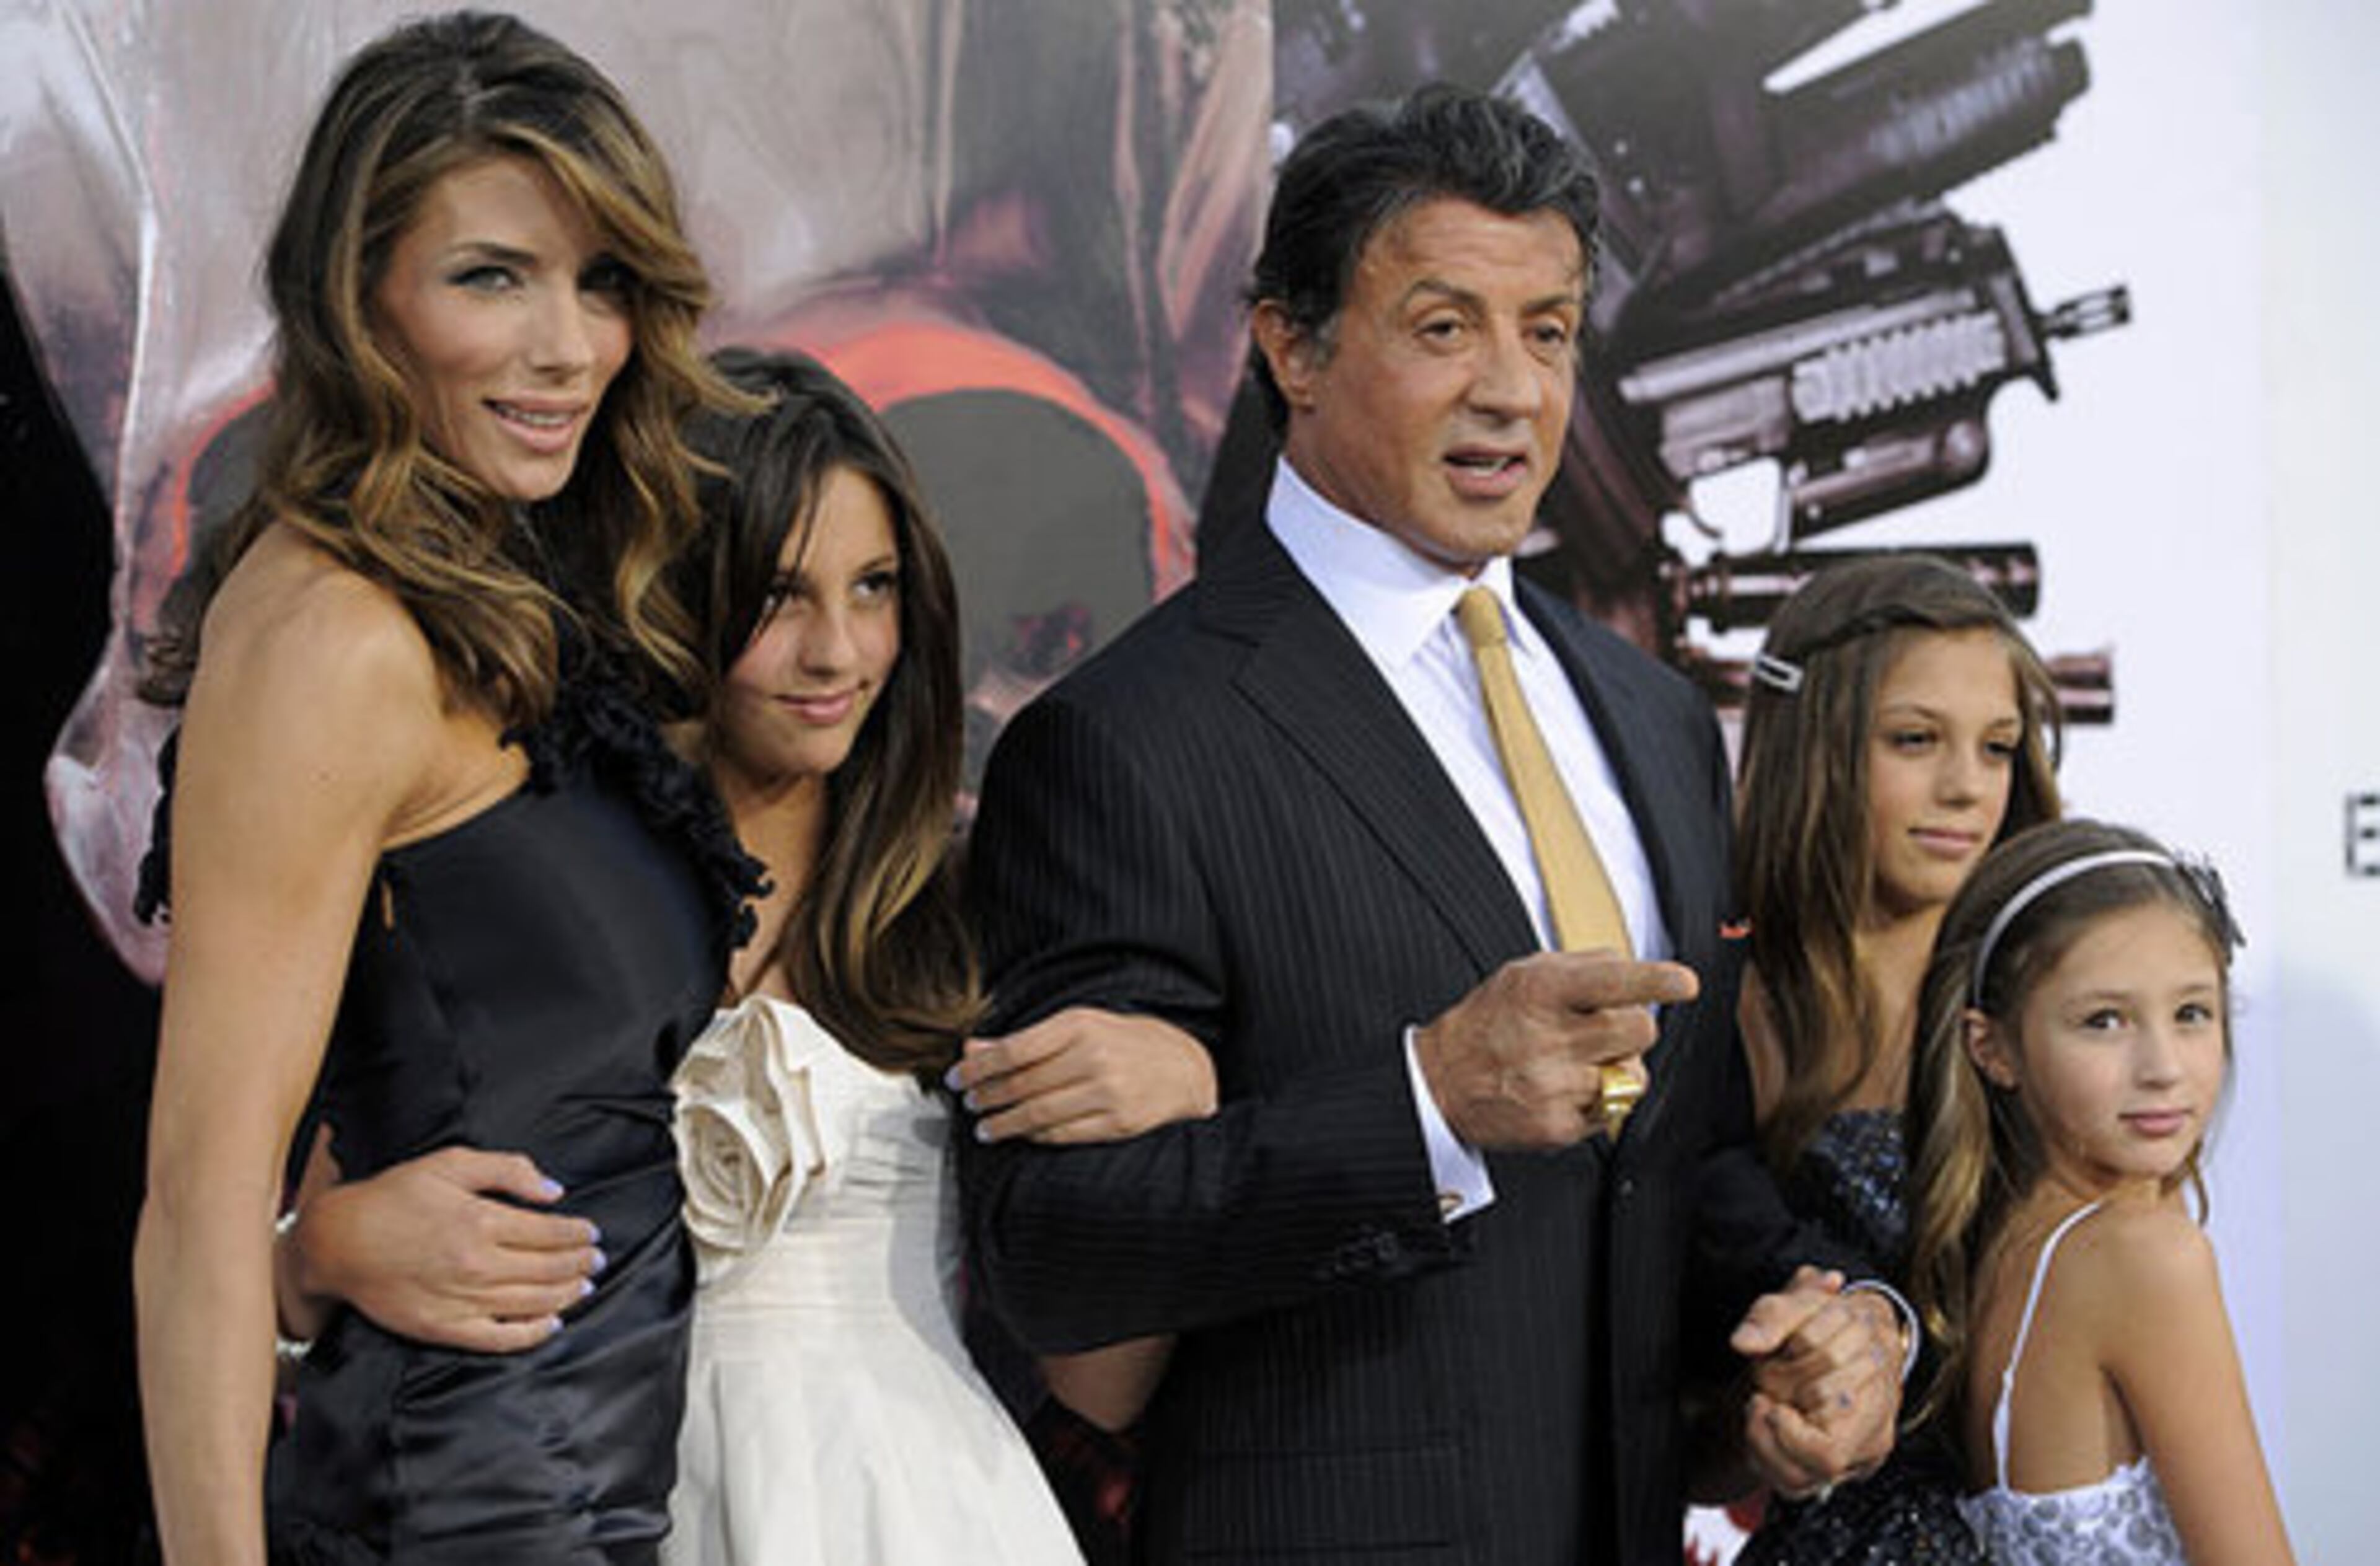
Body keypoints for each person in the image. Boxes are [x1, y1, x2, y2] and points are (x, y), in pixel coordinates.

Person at [955, 82, 1907, 1566]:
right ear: (1292, 345)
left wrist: (1830, 1319)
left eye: (1547, 330)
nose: (1514, 392)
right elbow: (1057, 1256)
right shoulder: (1122, 742)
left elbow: (1685, 1154)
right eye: (1443, 324)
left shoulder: (1653, 721)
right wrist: (1423, 1103)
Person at [270, 349, 1212, 1564]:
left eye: (873, 588)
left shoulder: (965, 911)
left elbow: (1103, 1386)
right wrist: (324, 1255)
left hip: (924, 1515)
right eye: (778, 597)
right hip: (576, 1505)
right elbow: (266, 1277)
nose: (838, 654)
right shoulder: (527, 902)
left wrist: (1182, 1098)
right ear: (668, 592)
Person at [128, 12, 755, 1562]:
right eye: (492, 276)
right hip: (469, 1504)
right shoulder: (334, 637)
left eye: (600, 280)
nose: (568, 346)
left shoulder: (492, 590)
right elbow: (202, 1204)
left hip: (578, 1492)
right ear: (363, 301)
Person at [1722, 556, 2063, 1563]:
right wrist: (1775, 1423)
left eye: (1998, 747)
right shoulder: (1724, 1017)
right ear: (1814, 742)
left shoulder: (2061, 1010)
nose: (1966, 786)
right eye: (1916, 740)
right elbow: (1691, 1408)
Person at [1902, 819, 2293, 1564]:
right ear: (1994, 1048)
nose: (2163, 1066)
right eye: (2104, 1020)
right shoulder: (2144, 1256)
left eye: (2191, 1014)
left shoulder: (2007, 1241)